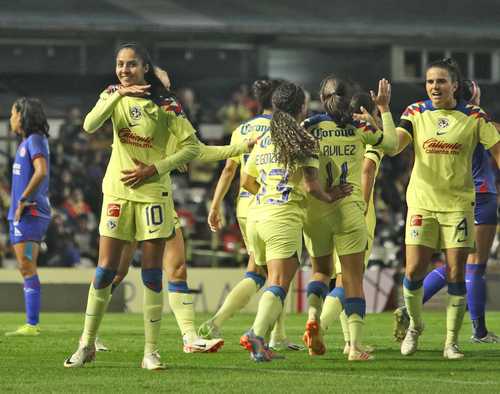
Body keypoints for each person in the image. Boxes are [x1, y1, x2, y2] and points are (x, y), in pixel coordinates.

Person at [64, 43, 200, 370]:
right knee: (105, 269)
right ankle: (86, 344)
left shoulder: (166, 104)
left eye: (132, 65)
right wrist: (118, 95)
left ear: (145, 68)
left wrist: (155, 168)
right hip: (117, 193)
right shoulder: (112, 95)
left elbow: (192, 147)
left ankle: (150, 353)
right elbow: (89, 125)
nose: (125, 70)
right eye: (120, 64)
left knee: (152, 274)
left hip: (153, 194)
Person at [392, 58, 500, 359]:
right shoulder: (415, 111)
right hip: (422, 204)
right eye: (430, 82)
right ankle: (414, 326)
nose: (434, 87)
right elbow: (395, 145)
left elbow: (497, 149)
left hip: (458, 206)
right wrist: (384, 119)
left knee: (457, 272)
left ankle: (451, 342)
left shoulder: (475, 116)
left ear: (455, 85)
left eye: (441, 81)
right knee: (413, 270)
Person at [239, 81, 353, 362]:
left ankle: (259, 340)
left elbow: (246, 180)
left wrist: (268, 195)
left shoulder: (265, 138)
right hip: (282, 218)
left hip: (257, 216)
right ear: (302, 107)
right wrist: (331, 196)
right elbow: (312, 187)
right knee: (278, 281)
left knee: (270, 278)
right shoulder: (302, 140)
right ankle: (256, 335)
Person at [199, 79, 302, 351]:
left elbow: (229, 171)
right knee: (278, 272)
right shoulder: (283, 129)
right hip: (272, 203)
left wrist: (215, 204)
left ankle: (223, 323)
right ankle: (273, 335)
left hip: (246, 205)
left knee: (260, 271)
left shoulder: (241, 129)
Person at [301, 78, 397, 361]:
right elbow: (390, 144)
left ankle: (312, 315)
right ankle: (354, 347)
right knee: (352, 279)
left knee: (320, 272)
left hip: (316, 208)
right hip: (350, 209)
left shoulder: (310, 127)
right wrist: (384, 109)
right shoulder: (360, 127)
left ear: (321, 97)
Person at [319, 92, 384, 356]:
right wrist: (365, 203)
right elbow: (368, 169)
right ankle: (319, 327)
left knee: (343, 277)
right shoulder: (367, 137)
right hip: (358, 210)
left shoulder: (337, 133)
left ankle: (349, 342)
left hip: (331, 208)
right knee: (349, 279)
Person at [5, 98, 51, 337]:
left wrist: (23, 200)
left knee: (27, 265)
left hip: (30, 213)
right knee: (25, 266)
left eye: (13, 113)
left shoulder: (34, 140)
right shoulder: (26, 142)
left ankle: (32, 324)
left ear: (23, 116)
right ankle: (31, 323)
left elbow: (41, 171)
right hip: (21, 213)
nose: (11, 118)